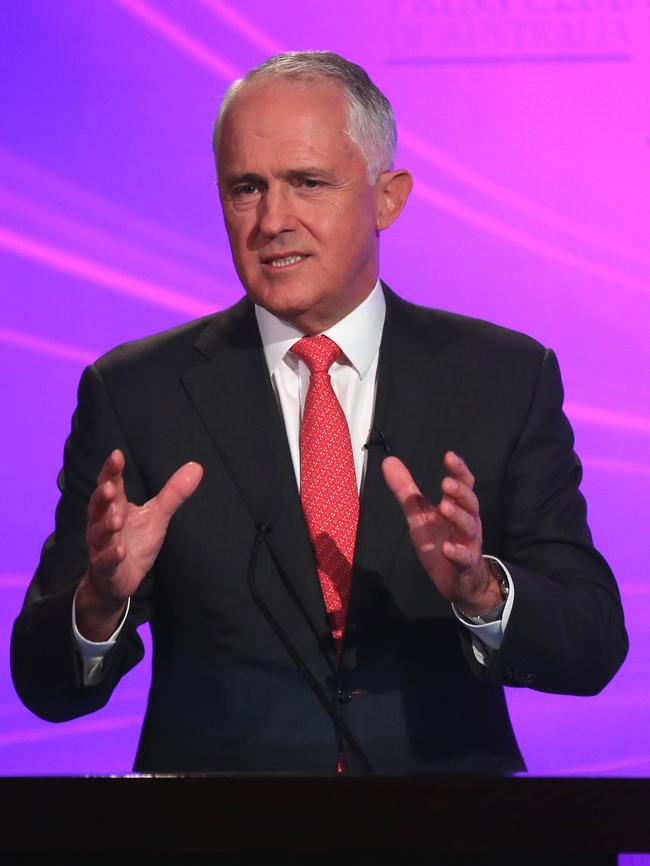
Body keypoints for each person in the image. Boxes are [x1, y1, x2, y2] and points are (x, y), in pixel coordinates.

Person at [11, 51, 627, 775]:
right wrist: (96, 604)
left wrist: (484, 592)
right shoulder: (137, 390)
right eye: (246, 188)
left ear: (387, 197)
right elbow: (46, 684)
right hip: (216, 836)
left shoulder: (504, 378)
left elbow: (591, 645)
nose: (273, 219)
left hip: (453, 831)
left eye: (307, 183)